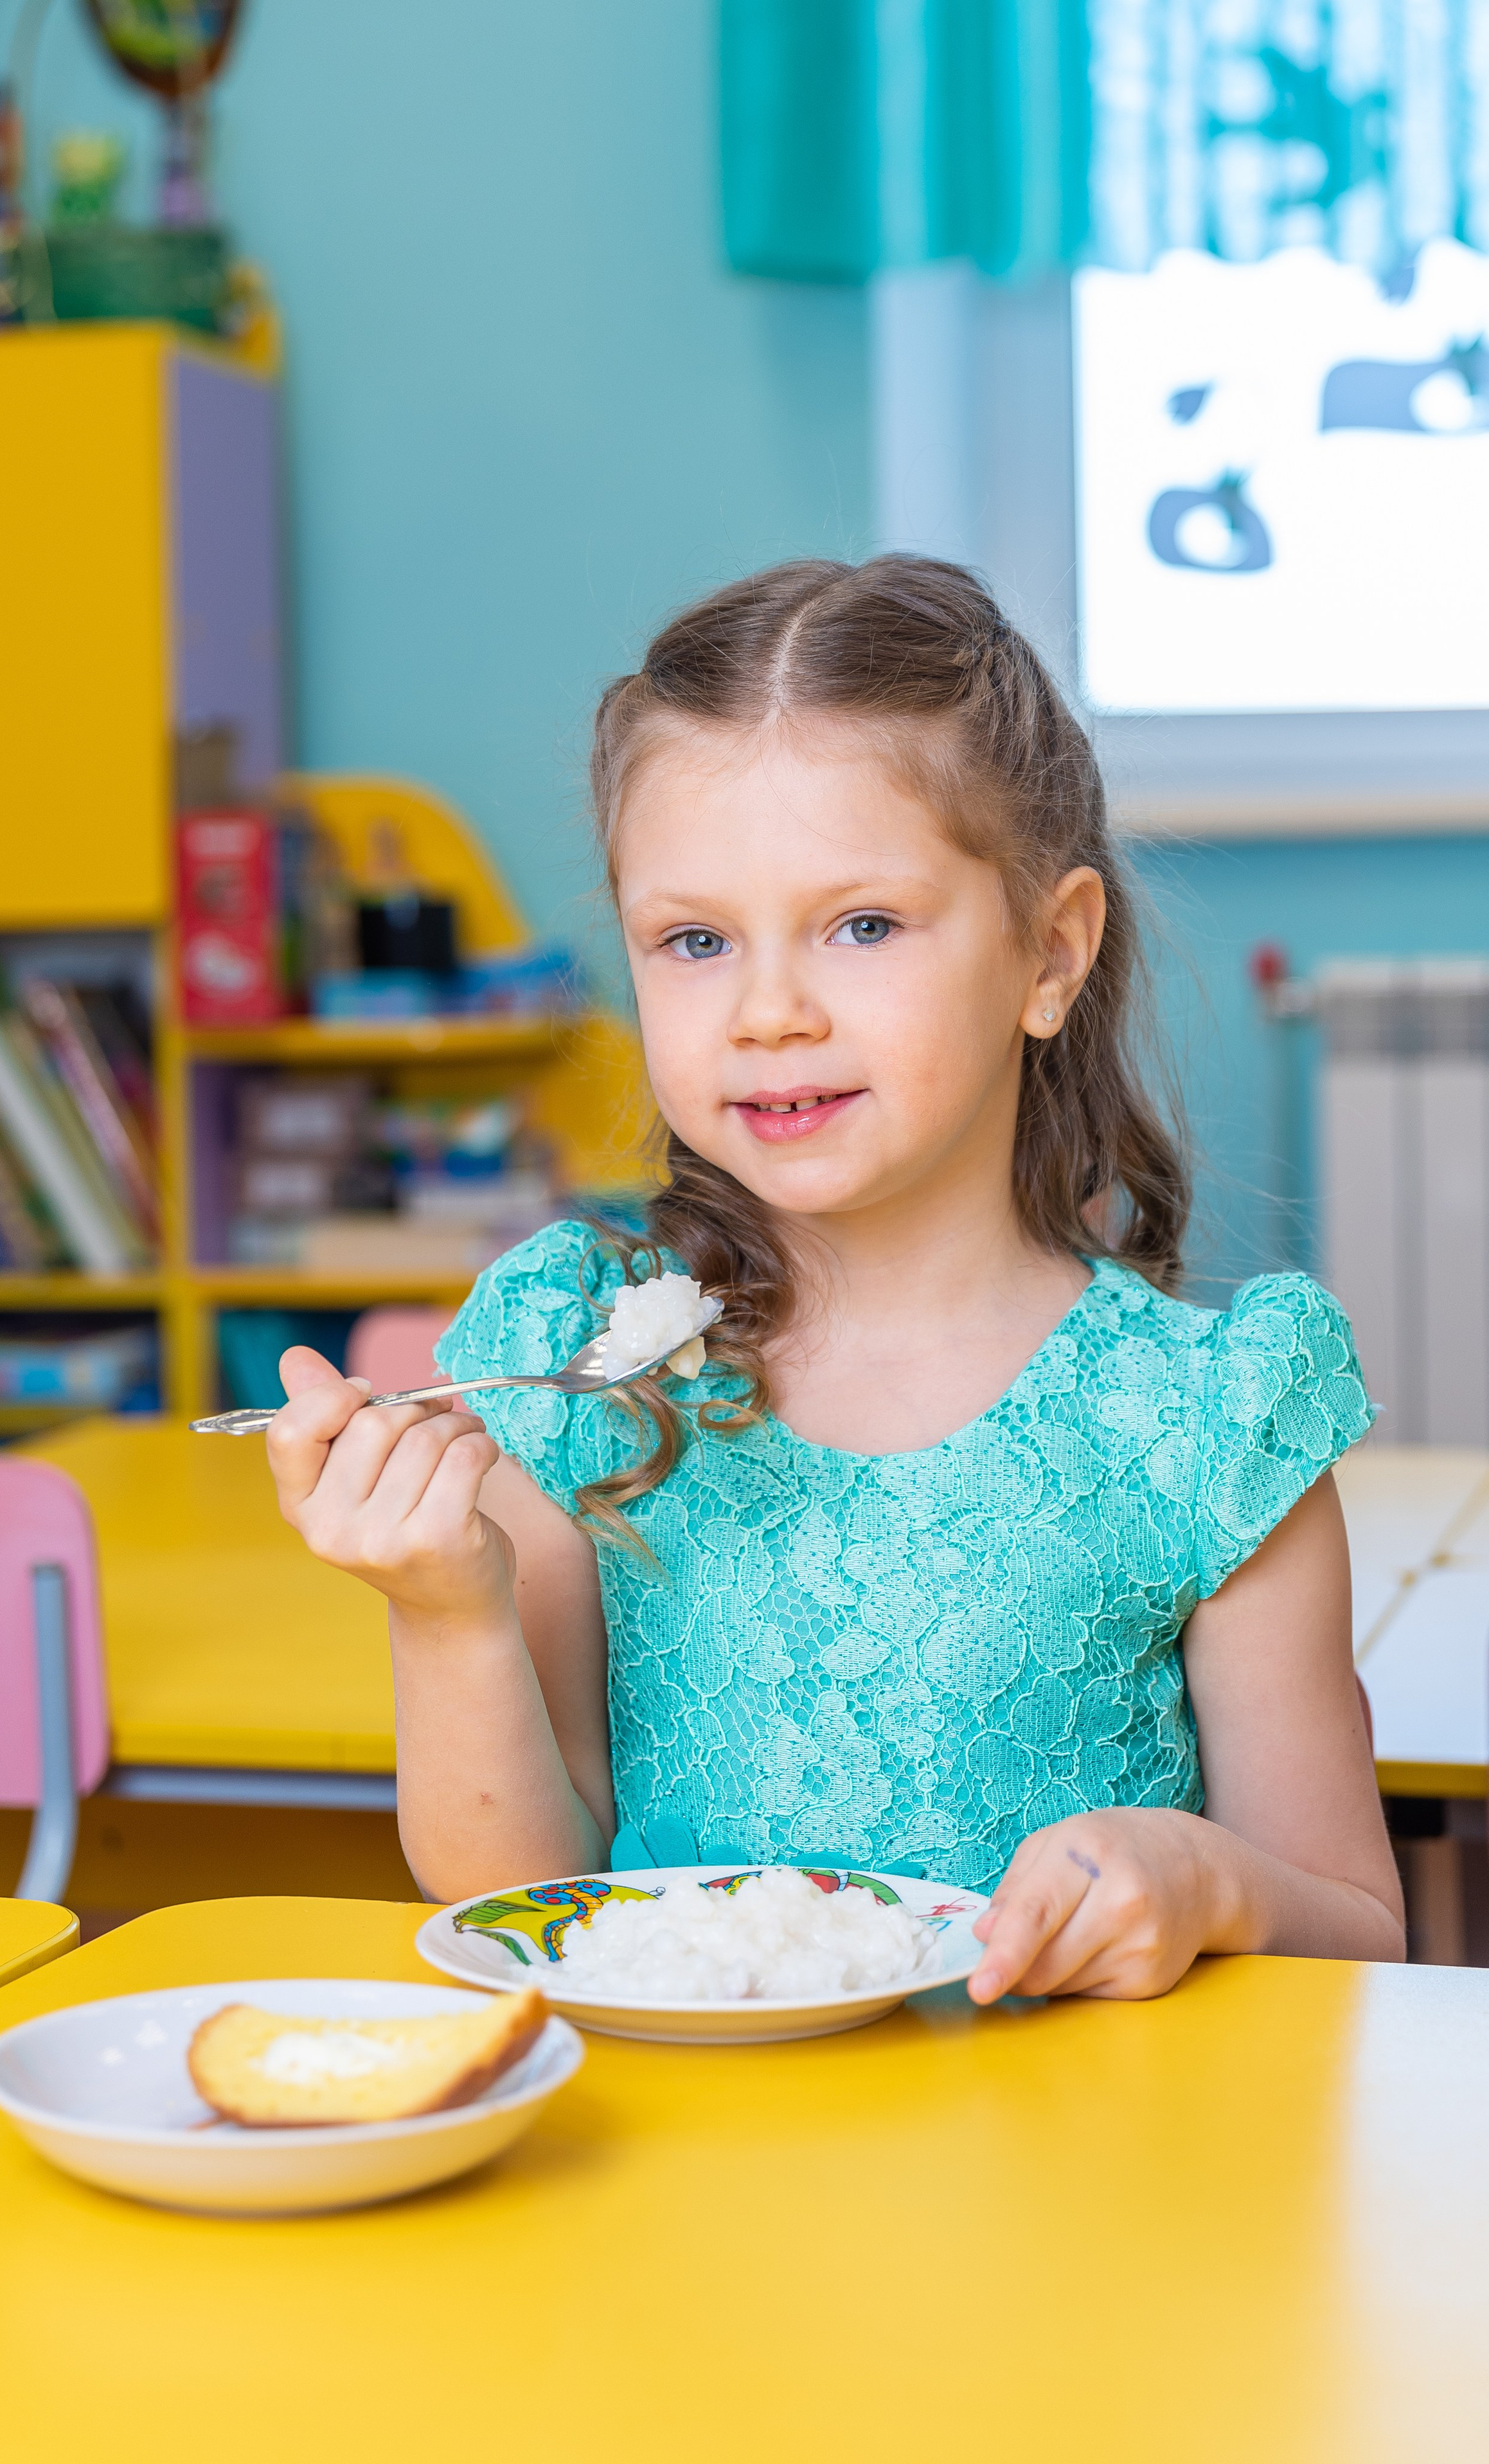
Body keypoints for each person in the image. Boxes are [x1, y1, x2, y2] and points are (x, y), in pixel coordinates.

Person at [265, 557, 1404, 2002]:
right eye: (692, 941)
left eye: (860, 925)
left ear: (1046, 955)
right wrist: (442, 1607)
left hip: (1074, 2187)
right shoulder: (569, 1362)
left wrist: (1210, 1882)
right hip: (681, 2178)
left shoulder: (1208, 1416)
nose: (768, 1013)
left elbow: (1363, 1932)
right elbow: (517, 1897)